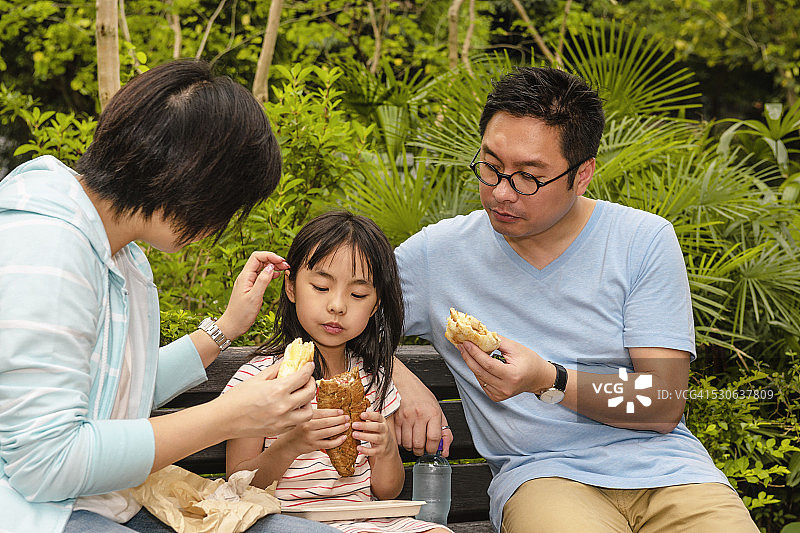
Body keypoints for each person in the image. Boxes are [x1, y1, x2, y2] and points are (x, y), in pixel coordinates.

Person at [390, 66, 759, 532]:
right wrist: (399, 378)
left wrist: (549, 379)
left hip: (671, 473)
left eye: (529, 177)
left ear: (582, 175)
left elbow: (663, 403)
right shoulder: (437, 254)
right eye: (491, 166)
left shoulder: (642, 240)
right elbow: (329, 315)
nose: (501, 192)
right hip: (543, 476)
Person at [0, 60, 338, 533]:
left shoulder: (122, 254)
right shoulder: (45, 248)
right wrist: (228, 417)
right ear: (190, 180)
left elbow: (114, 392)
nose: (219, 225)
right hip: (33, 511)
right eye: (227, 205)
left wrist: (224, 330)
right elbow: (46, 463)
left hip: (105, 501)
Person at [225, 211, 451, 533]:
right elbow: (238, 486)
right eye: (321, 287)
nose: (337, 305)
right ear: (291, 287)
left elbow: (387, 490)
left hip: (363, 521)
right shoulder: (261, 379)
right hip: (284, 522)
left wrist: (386, 448)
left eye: (358, 295)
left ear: (375, 305)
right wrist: (292, 444)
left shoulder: (373, 381)